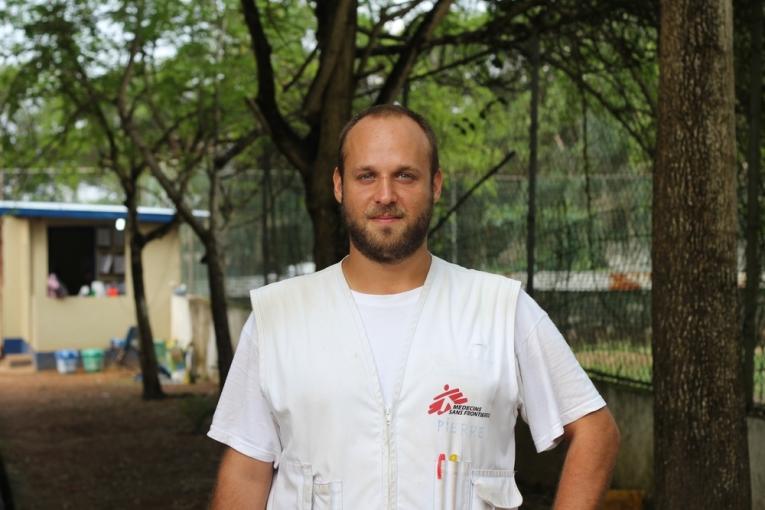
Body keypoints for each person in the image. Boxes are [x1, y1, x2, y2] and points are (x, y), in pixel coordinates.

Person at [208, 104, 620, 509]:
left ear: (435, 185)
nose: (385, 195)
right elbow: (246, 469)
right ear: (338, 185)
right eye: (366, 176)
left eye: (405, 176)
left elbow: (595, 431)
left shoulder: (499, 309)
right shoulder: (278, 316)